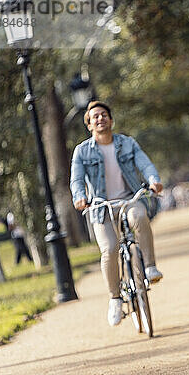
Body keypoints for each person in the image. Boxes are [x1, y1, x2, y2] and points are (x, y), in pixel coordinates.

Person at [70, 101, 164, 327]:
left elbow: (146, 164)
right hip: (100, 207)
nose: (100, 119)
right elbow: (76, 179)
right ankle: (114, 298)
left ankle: (150, 267)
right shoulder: (82, 151)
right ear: (90, 125)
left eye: (104, 115)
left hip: (128, 200)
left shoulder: (127, 143)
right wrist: (79, 197)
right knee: (109, 249)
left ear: (111, 120)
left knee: (140, 217)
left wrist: (154, 180)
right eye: (95, 117)